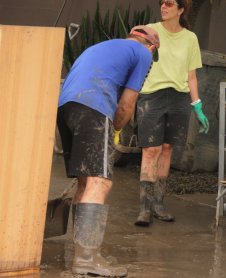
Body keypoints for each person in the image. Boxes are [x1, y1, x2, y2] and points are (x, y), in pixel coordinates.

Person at [57, 25, 159, 277]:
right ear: (152, 46)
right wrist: (116, 127)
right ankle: (87, 259)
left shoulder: (101, 47)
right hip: (94, 105)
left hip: (66, 107)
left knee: (85, 181)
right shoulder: (144, 53)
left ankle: (84, 253)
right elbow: (127, 103)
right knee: (100, 182)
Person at [134, 0, 209, 226]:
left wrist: (197, 104)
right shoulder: (150, 31)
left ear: (181, 10)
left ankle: (158, 205)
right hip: (152, 96)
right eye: (162, 3)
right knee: (151, 150)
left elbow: (192, 75)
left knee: (167, 149)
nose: (163, 7)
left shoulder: (190, 38)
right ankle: (144, 209)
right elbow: (136, 61)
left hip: (178, 98)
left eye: (169, 3)